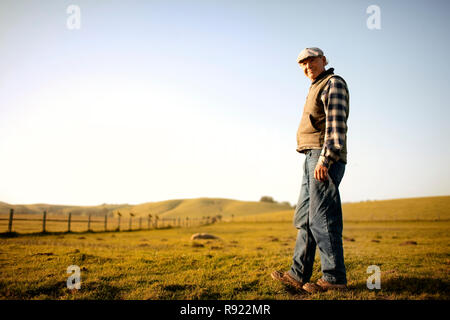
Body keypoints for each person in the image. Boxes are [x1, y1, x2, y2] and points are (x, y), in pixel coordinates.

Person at [271, 47, 350, 293]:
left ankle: (334, 279)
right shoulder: (315, 86)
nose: (307, 67)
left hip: (323, 156)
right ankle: (297, 275)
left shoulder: (333, 83)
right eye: (303, 64)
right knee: (304, 217)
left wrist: (325, 160)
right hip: (310, 156)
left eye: (312, 61)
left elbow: (336, 127)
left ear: (324, 60)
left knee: (323, 218)